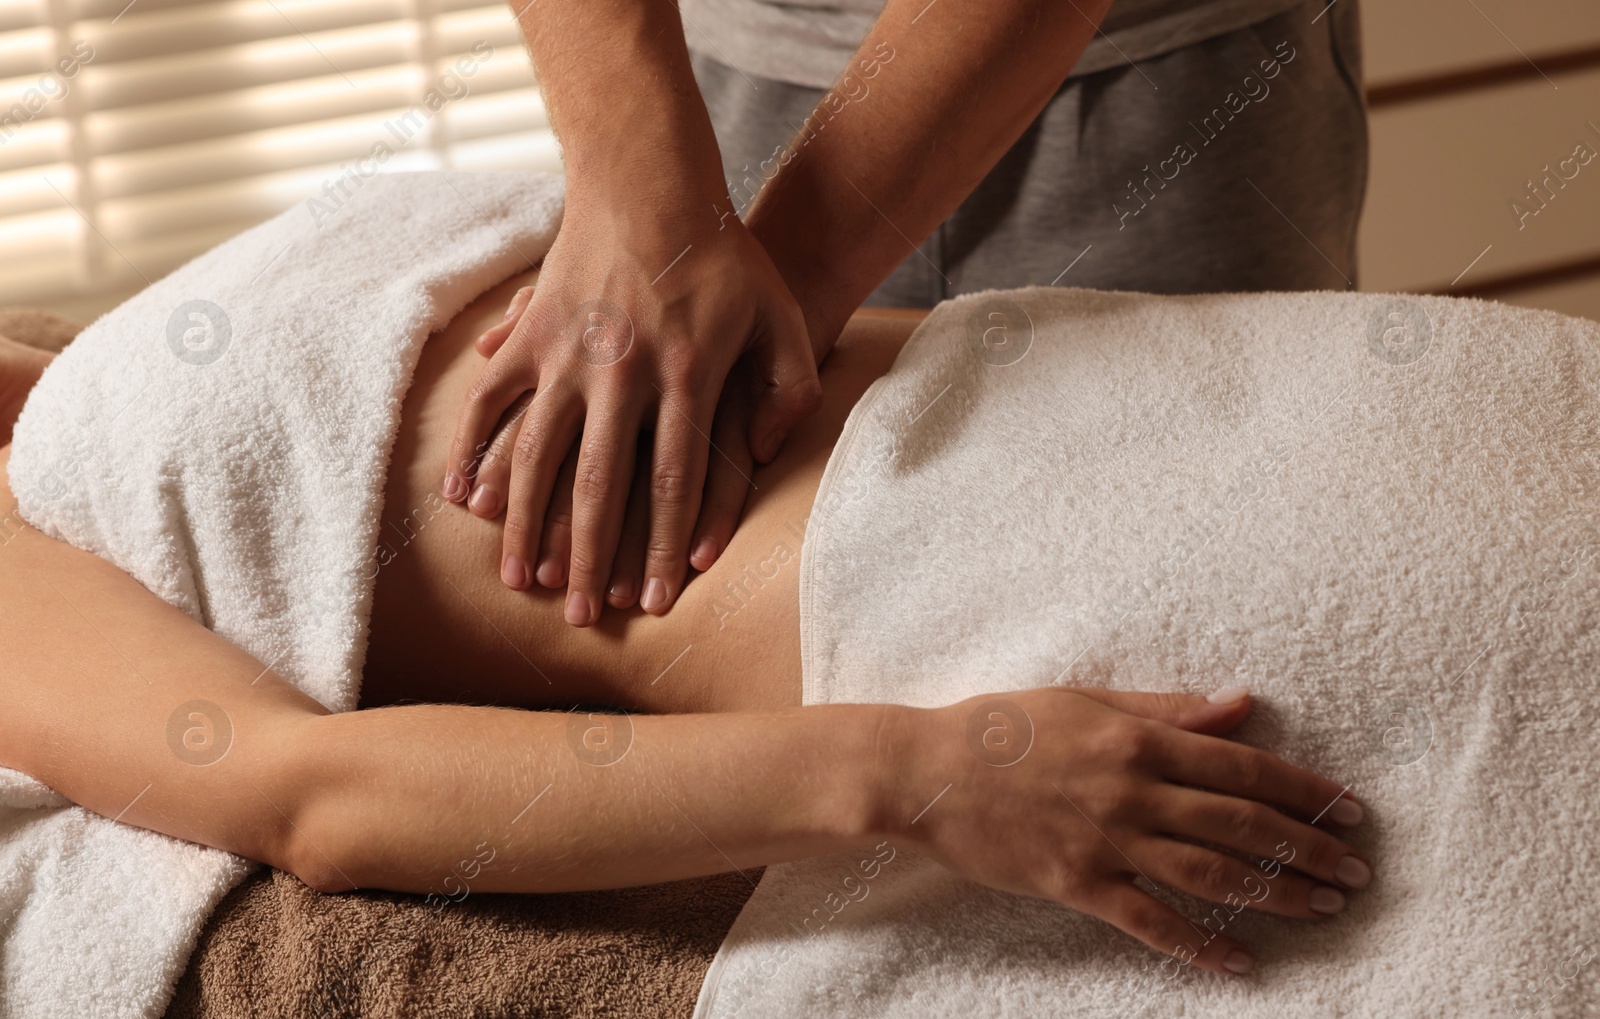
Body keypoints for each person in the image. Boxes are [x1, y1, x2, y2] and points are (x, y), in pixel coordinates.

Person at [0, 267, 1370, 979]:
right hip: (1049, 581)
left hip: (1187, 387)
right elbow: (310, 797)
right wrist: (916, 772)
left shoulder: (82, 361)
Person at [442, 0, 1367, 628]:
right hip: (716, 87)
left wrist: (780, 301)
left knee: (1210, 620)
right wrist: (633, 195)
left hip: (1166, 93)